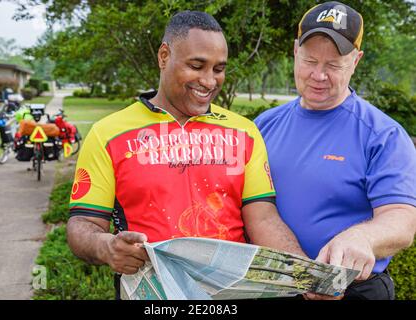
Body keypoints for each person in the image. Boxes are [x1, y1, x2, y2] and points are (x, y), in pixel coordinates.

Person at [67, 10, 305, 299]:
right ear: (164, 56)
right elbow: (82, 225)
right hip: (153, 295)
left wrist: (303, 274)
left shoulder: (245, 132)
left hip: (233, 295)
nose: (209, 81)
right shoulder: (108, 134)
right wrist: (106, 247)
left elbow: (263, 219)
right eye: (197, 66)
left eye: (218, 69)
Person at [255, 1, 416, 300]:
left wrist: (362, 236)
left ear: (356, 61)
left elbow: (402, 220)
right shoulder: (263, 126)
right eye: (310, 61)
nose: (319, 75)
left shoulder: (384, 135)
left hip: (351, 289)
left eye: (333, 65)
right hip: (274, 285)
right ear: (294, 52)